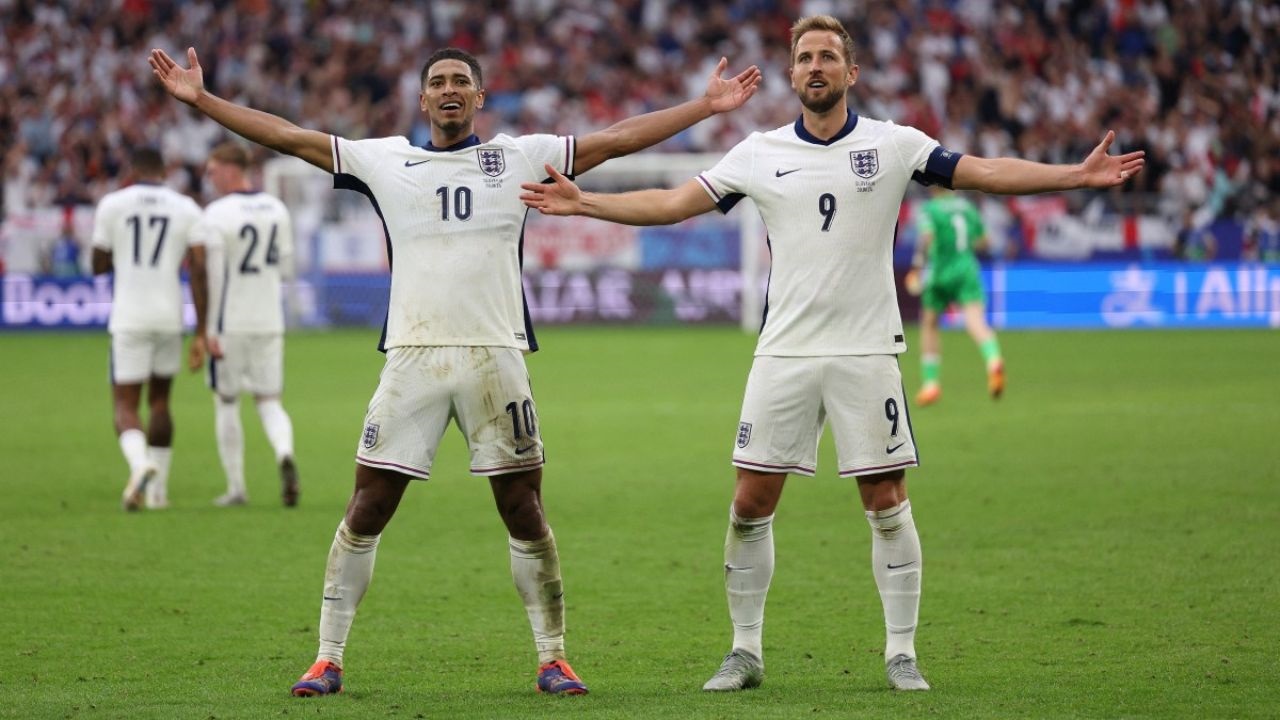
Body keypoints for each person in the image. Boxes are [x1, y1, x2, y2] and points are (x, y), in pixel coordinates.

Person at [520, 14, 1144, 693]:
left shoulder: (895, 144)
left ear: (852, 72)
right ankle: (745, 651)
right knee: (750, 501)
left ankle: (901, 653)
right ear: (791, 74)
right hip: (783, 353)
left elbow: (984, 171)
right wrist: (587, 202)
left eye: (827, 56)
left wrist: (1073, 176)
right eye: (805, 57)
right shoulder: (758, 152)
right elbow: (674, 202)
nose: (815, 67)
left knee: (886, 498)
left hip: (866, 351)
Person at [149, 44, 760, 697]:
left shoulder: (520, 156)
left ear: (478, 97)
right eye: (437, 81)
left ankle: (553, 657)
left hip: (496, 357)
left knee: (523, 507)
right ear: (422, 99)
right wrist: (203, 100)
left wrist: (704, 106)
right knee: (368, 506)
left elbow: (615, 140)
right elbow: (288, 137)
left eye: (460, 82)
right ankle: (327, 658)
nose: (448, 89)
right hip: (412, 358)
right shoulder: (385, 160)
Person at [91, 147, 207, 511]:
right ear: (165, 171)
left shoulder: (113, 204)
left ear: (132, 169)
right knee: (160, 402)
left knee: (125, 405)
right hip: (169, 315)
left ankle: (140, 464)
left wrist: (120, 254)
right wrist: (202, 330)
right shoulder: (186, 207)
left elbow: (97, 265)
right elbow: (199, 269)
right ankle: (158, 494)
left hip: (129, 316)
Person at [194, 141, 300, 508]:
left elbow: (213, 275)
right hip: (269, 319)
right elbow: (286, 268)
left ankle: (237, 487)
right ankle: (284, 451)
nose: (210, 179)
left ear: (229, 168)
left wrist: (209, 329)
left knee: (226, 401)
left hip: (230, 323)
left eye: (212, 171)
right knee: (269, 401)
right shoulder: (276, 208)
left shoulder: (216, 214)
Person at [906, 189, 1004, 406]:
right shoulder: (967, 207)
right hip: (966, 268)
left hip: (940, 270)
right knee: (975, 321)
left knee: (930, 323)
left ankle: (931, 383)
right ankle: (993, 359)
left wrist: (917, 268)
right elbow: (985, 242)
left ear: (932, 187)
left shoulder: (929, 209)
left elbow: (927, 238)